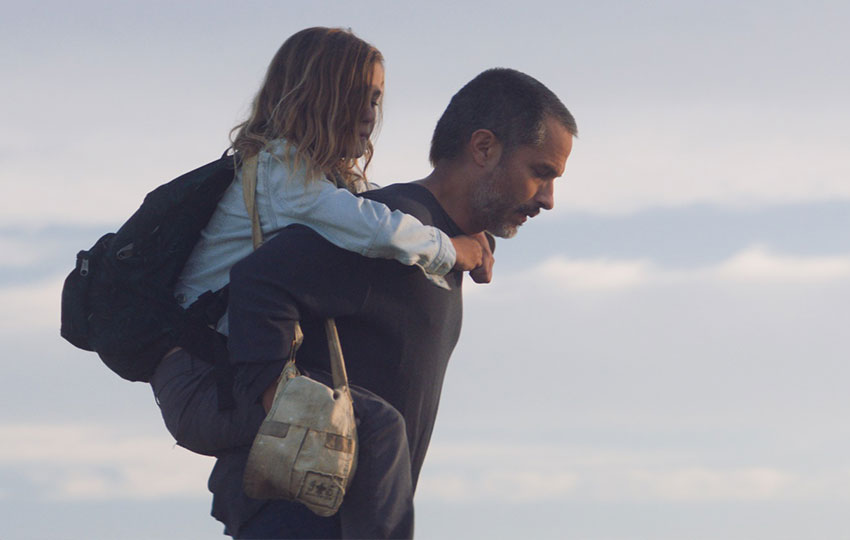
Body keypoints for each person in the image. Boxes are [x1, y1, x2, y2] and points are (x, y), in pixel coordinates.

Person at [148, 27, 492, 538]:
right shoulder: (281, 171)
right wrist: (450, 248)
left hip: (213, 377)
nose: (372, 111)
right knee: (375, 427)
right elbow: (373, 226)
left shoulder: (309, 180)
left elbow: (368, 209)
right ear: (319, 96)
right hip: (202, 382)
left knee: (361, 429)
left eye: (377, 97)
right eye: (358, 96)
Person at [214, 67, 577, 538]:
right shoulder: (392, 228)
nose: (548, 199)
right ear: (484, 148)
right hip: (303, 515)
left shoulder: (436, 242)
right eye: (540, 172)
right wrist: (275, 401)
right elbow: (259, 280)